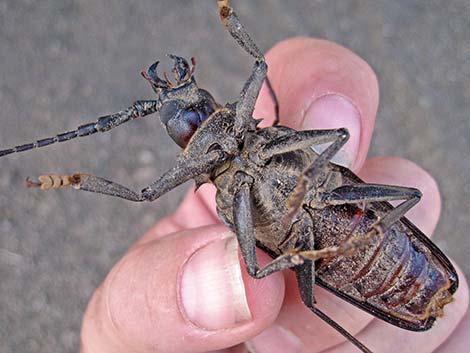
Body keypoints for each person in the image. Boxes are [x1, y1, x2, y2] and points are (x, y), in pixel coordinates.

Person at [79, 37, 469, 353]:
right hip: (331, 241)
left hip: (371, 235)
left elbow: (333, 137)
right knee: (285, 286)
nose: (193, 111)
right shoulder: (231, 197)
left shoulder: (252, 162)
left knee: (404, 187)